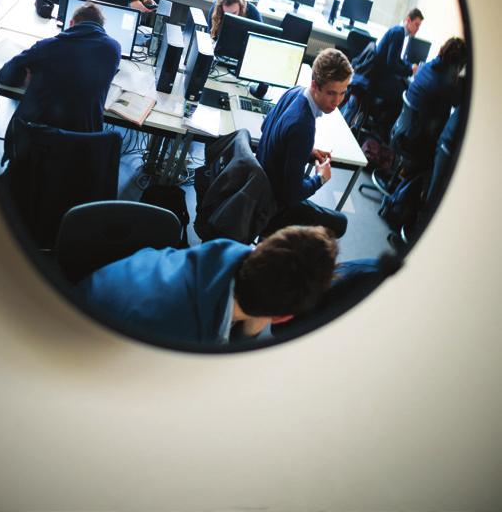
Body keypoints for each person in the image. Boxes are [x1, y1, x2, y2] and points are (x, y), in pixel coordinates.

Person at [78, 224, 338, 346]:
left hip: (91, 294)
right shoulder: (186, 346)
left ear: (260, 247)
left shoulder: (223, 252)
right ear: (281, 318)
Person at [0, 2, 121, 162]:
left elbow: (5, 75)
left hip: (34, 148)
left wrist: (30, 77)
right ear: (101, 27)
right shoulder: (113, 49)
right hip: (81, 149)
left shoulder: (47, 46)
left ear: (71, 23)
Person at [256, 48, 352, 238]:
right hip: (274, 205)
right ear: (315, 86)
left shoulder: (295, 91)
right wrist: (320, 178)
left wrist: (306, 151)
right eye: (331, 93)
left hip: (259, 185)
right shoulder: (304, 126)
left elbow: (265, 126)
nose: (337, 101)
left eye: (343, 93)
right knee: (340, 223)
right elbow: (292, 195)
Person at [391, 36, 466, 166]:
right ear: (458, 65)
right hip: (414, 141)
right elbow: (455, 104)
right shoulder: (446, 84)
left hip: (402, 130)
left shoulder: (427, 66)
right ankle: (409, 183)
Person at [369, 7, 424, 124]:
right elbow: (392, 64)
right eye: (416, 25)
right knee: (403, 94)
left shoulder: (398, 31)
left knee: (403, 85)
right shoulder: (399, 33)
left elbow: (396, 59)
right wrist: (409, 70)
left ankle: (378, 120)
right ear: (408, 20)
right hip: (379, 79)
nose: (417, 29)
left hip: (379, 74)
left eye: (419, 26)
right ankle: (380, 125)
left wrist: (409, 66)